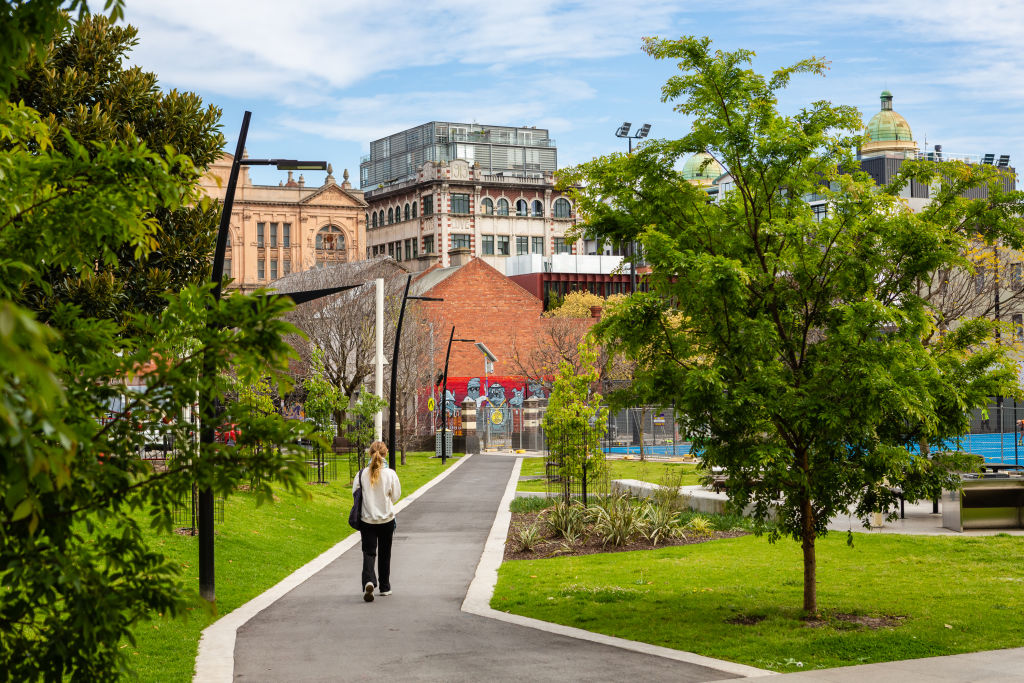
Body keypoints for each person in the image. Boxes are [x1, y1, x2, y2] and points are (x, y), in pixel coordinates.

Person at [353, 441, 401, 602]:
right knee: (385, 553)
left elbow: (355, 494)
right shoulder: (390, 474)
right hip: (386, 519)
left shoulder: (361, 474)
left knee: (368, 552)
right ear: (386, 454)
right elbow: (395, 496)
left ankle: (369, 581)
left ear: (370, 453)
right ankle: (385, 587)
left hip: (367, 520)